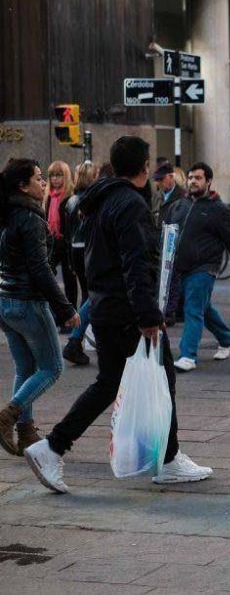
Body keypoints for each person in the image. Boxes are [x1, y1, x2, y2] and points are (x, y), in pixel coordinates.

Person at [26, 136, 212, 493]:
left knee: (108, 383)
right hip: (128, 312)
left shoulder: (98, 200)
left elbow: (87, 258)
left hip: (105, 306)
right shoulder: (130, 204)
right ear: (144, 167)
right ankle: (168, 459)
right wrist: (147, 315)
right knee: (163, 378)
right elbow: (135, 263)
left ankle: (51, 447)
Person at [0, 159, 79, 456]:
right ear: (23, 186)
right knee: (52, 368)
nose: (43, 182)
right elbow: (41, 270)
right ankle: (9, 415)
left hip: (6, 301)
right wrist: (66, 309)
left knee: (26, 367)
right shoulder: (30, 218)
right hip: (27, 303)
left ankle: (27, 431)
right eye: (38, 177)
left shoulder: (7, 213)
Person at [165, 163, 230, 372]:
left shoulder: (219, 210)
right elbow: (168, 233)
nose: (193, 181)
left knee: (192, 309)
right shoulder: (180, 205)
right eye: (191, 177)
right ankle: (226, 337)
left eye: (198, 178)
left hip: (205, 268)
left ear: (208, 182)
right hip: (181, 268)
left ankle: (188, 356)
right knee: (203, 307)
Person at [61, 162, 100, 367]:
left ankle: (82, 337)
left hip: (75, 250)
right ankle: (79, 338)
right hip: (88, 249)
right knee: (93, 295)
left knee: (87, 293)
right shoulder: (91, 200)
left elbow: (67, 232)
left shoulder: (71, 201)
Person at [43, 161, 78, 324]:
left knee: (70, 282)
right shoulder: (48, 196)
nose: (55, 179)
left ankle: (69, 317)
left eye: (59, 175)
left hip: (67, 244)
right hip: (53, 243)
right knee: (47, 276)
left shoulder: (70, 197)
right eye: (52, 175)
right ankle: (56, 315)